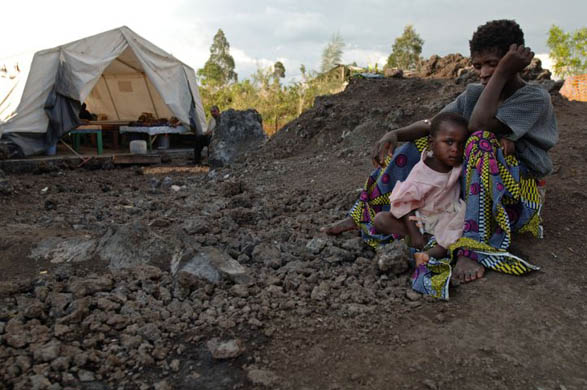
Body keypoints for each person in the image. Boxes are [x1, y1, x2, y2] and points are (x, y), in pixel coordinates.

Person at [322, 19, 558, 285]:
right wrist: (396, 134)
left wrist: (502, 72)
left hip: (516, 193)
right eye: (478, 66)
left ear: (513, 60)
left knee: (480, 141)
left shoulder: (534, 97)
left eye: (493, 63)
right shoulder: (474, 95)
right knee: (434, 140)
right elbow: (435, 125)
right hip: (470, 186)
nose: (483, 73)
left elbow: (479, 125)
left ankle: (473, 246)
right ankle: (368, 213)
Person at [373, 112, 468, 264]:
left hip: (446, 218)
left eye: (461, 144)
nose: (455, 149)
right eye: (449, 142)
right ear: (431, 142)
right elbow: (406, 203)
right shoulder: (422, 171)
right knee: (380, 220)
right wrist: (415, 233)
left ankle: (426, 255)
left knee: (455, 231)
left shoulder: (459, 165)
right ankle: (422, 244)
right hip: (417, 221)